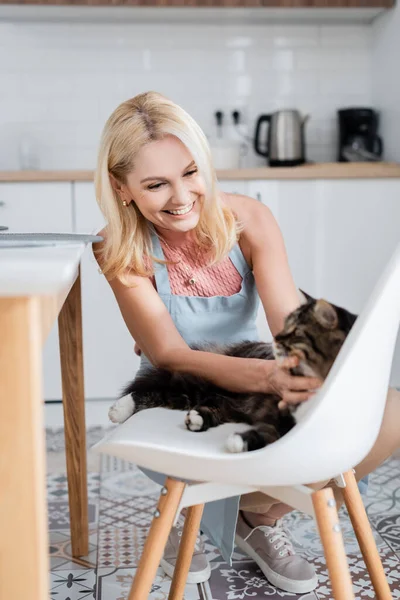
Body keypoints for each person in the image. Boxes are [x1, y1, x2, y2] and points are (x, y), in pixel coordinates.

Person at [93, 91, 400, 594]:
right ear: (121, 188)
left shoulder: (250, 220)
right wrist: (268, 375)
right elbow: (170, 354)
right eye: (155, 184)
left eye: (191, 173)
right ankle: (195, 515)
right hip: (177, 401)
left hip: (251, 389)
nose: (181, 197)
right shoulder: (119, 247)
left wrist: (315, 368)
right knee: (277, 426)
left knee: (385, 412)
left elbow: (287, 324)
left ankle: (255, 517)